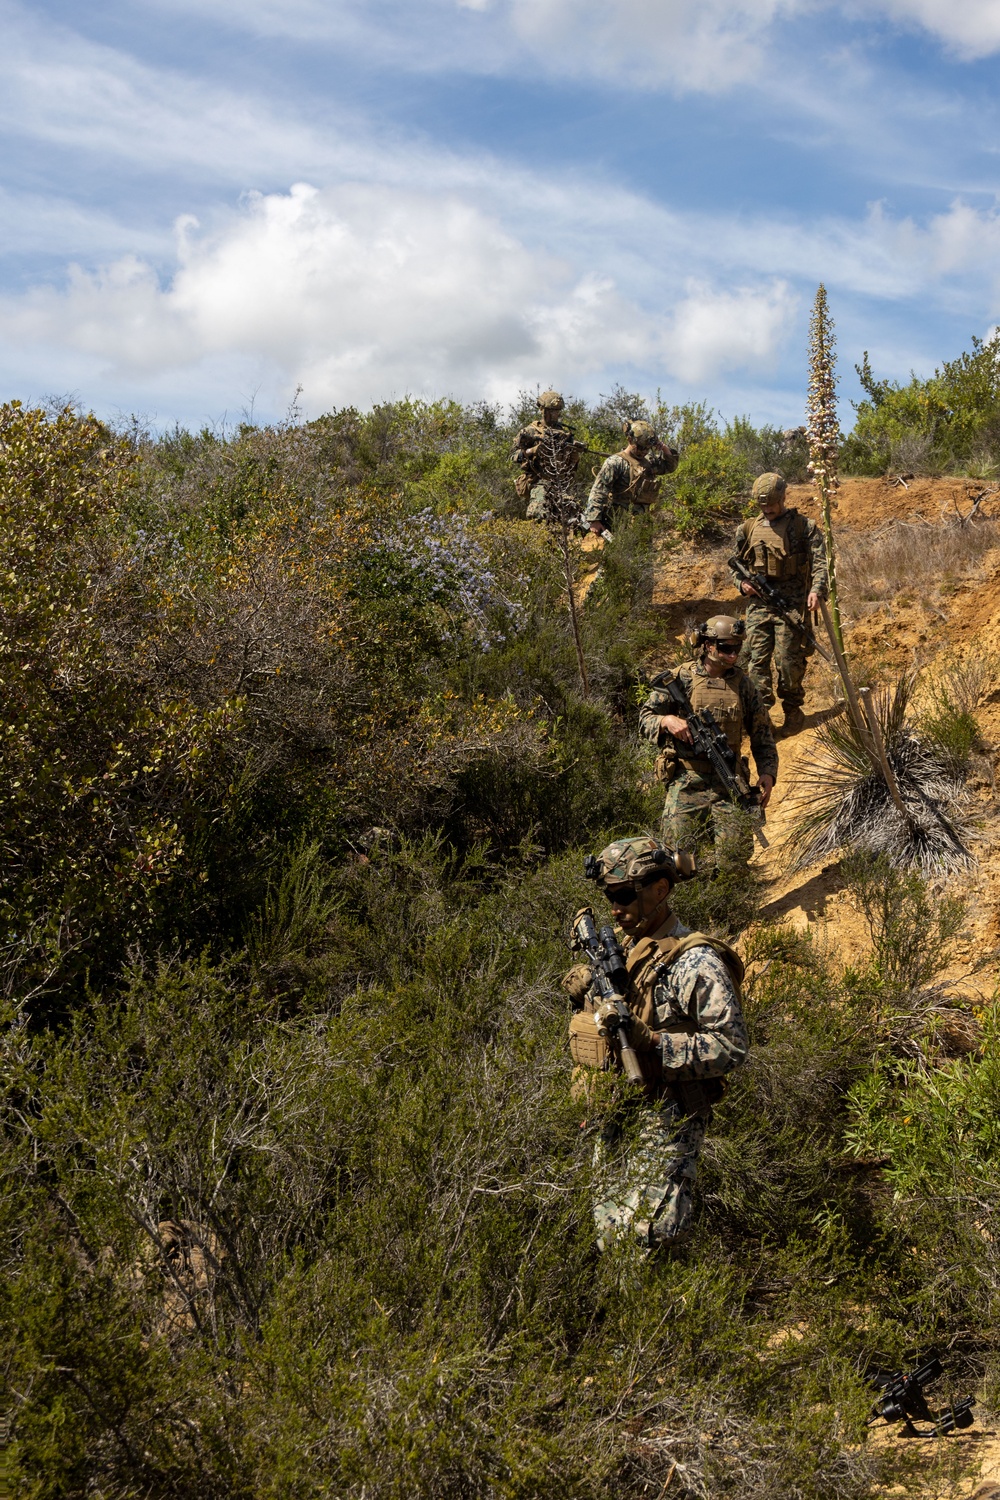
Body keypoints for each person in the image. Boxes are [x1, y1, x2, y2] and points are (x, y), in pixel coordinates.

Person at [563, 835, 748, 1252]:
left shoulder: (695, 962)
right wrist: (587, 995)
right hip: (614, 1111)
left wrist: (654, 1043)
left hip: (667, 1119)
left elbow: (732, 1046)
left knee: (648, 1238)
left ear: (660, 890)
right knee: (609, 1235)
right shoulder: (625, 951)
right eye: (609, 896)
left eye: (625, 895)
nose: (615, 908)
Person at [638, 616, 777, 868]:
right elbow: (645, 718)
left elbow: (762, 735)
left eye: (737, 648)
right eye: (726, 647)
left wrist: (768, 772)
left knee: (733, 861)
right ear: (708, 645)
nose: (733, 654)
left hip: (729, 783)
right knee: (678, 860)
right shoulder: (680, 678)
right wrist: (667, 720)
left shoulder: (743, 686)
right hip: (686, 782)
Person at [729, 471, 827, 734]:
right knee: (757, 662)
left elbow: (821, 564)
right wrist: (742, 584)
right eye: (762, 504)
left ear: (783, 497)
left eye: (772, 503)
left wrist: (816, 591)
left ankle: (793, 711)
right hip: (759, 604)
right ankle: (763, 717)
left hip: (791, 604)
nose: (767, 509)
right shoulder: (747, 529)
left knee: (787, 661)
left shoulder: (803, 527)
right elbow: (734, 567)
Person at [582, 420, 678, 536]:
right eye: (641, 447)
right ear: (629, 440)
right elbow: (599, 490)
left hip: (642, 523)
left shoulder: (649, 462)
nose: (644, 451)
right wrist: (594, 520)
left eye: (648, 448)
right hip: (619, 523)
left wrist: (663, 448)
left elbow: (670, 467)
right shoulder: (615, 462)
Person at [511, 390, 584, 522]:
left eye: (557, 411)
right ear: (542, 410)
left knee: (576, 518)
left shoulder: (564, 434)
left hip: (561, 484)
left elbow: (572, 466)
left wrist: (574, 453)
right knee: (540, 515)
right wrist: (532, 450)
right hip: (538, 482)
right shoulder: (530, 431)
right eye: (551, 410)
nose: (555, 414)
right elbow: (513, 456)